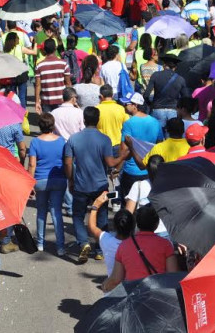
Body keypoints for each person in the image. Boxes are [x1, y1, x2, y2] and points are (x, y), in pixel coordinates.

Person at [63, 107, 129, 263]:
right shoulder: (104, 139)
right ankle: (100, 249)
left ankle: (83, 243)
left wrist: (70, 180)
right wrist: (123, 156)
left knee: (78, 216)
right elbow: (111, 163)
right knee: (102, 216)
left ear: (84, 120)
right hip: (100, 186)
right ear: (98, 120)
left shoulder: (73, 139)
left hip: (80, 185)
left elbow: (67, 163)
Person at [102, 205, 178, 291]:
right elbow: (172, 276)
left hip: (134, 295)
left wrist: (105, 285)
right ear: (156, 224)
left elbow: (116, 279)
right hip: (158, 294)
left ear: (137, 224)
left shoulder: (124, 246)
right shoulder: (166, 244)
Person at [27, 113, 68, 256]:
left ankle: (40, 243)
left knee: (41, 211)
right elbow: (66, 161)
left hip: (40, 180)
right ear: (52, 125)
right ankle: (61, 246)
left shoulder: (35, 142)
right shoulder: (61, 141)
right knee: (56, 211)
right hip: (58, 179)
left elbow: (32, 164)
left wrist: (29, 183)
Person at [119, 92, 162, 199]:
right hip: (150, 171)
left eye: (126, 104)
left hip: (132, 171)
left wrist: (117, 168)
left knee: (130, 204)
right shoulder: (155, 122)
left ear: (135, 106)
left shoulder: (128, 124)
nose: (124, 106)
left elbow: (124, 150)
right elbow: (160, 145)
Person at [87, 198, 135, 276]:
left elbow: (92, 226)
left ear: (114, 225)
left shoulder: (106, 240)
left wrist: (95, 206)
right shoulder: (138, 244)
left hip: (114, 284)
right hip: (135, 285)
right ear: (133, 225)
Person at [143, 54, 188, 128]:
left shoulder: (155, 75)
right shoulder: (181, 79)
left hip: (157, 110)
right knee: (170, 135)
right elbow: (185, 98)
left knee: (157, 136)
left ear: (164, 65)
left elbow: (146, 95)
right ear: (175, 67)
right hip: (173, 111)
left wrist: (151, 104)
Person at [35, 39, 71, 115]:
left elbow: (38, 85)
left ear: (44, 50)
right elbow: (68, 83)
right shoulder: (64, 64)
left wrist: (37, 102)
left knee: (48, 123)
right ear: (55, 49)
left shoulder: (39, 66)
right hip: (61, 99)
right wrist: (71, 100)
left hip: (46, 100)